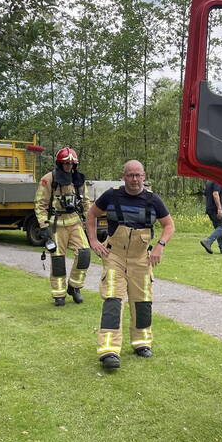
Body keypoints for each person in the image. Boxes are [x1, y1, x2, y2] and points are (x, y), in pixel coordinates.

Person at [86, 160, 175, 370]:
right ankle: (109, 350)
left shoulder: (153, 200)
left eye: (138, 175)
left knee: (143, 302)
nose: (134, 180)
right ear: (123, 176)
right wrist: (93, 241)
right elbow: (91, 215)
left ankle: (141, 343)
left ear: (144, 176)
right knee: (113, 301)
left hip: (141, 259)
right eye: (130, 175)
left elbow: (169, 225)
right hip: (115, 257)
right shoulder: (111, 195)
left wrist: (160, 245)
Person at [34, 147, 91, 306]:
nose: (69, 167)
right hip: (56, 225)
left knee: (85, 254)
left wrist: (89, 222)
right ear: (60, 164)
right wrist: (43, 226)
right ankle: (58, 294)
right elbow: (40, 204)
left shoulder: (78, 179)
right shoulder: (49, 179)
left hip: (74, 222)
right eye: (66, 164)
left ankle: (74, 287)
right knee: (58, 260)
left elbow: (86, 202)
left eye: (72, 164)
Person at [199, 179, 222, 254]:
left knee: (218, 227)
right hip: (215, 209)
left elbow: (205, 195)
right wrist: (219, 208)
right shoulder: (218, 180)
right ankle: (208, 241)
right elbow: (215, 194)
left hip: (210, 209)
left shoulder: (209, 181)